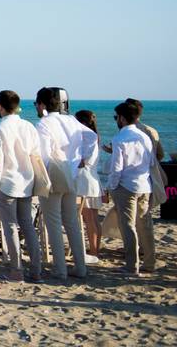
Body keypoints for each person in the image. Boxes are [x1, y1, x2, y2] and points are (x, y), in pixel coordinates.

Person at [34, 87, 90, 280]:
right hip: (71, 174)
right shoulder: (72, 120)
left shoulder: (44, 123)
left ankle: (60, 268)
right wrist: (83, 159)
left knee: (54, 223)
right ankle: (80, 267)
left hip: (54, 176)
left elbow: (43, 154)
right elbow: (91, 137)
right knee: (72, 223)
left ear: (42, 105)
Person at [0, 90, 42, 282]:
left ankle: (16, 270)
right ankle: (36, 270)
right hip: (26, 181)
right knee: (27, 225)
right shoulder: (28, 126)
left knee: (10, 226)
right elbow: (36, 154)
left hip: (7, 183)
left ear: (0, 106)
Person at [108, 101, 155, 275]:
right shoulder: (144, 137)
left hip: (126, 186)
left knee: (128, 226)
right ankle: (150, 262)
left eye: (116, 117)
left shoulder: (120, 138)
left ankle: (131, 264)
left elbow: (116, 169)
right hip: (144, 184)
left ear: (121, 118)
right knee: (145, 225)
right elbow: (151, 162)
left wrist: (111, 187)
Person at [75, 110, 103, 257]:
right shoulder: (94, 136)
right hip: (93, 179)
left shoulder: (88, 137)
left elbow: (83, 162)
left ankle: (93, 251)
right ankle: (95, 249)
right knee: (94, 218)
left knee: (89, 219)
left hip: (85, 181)